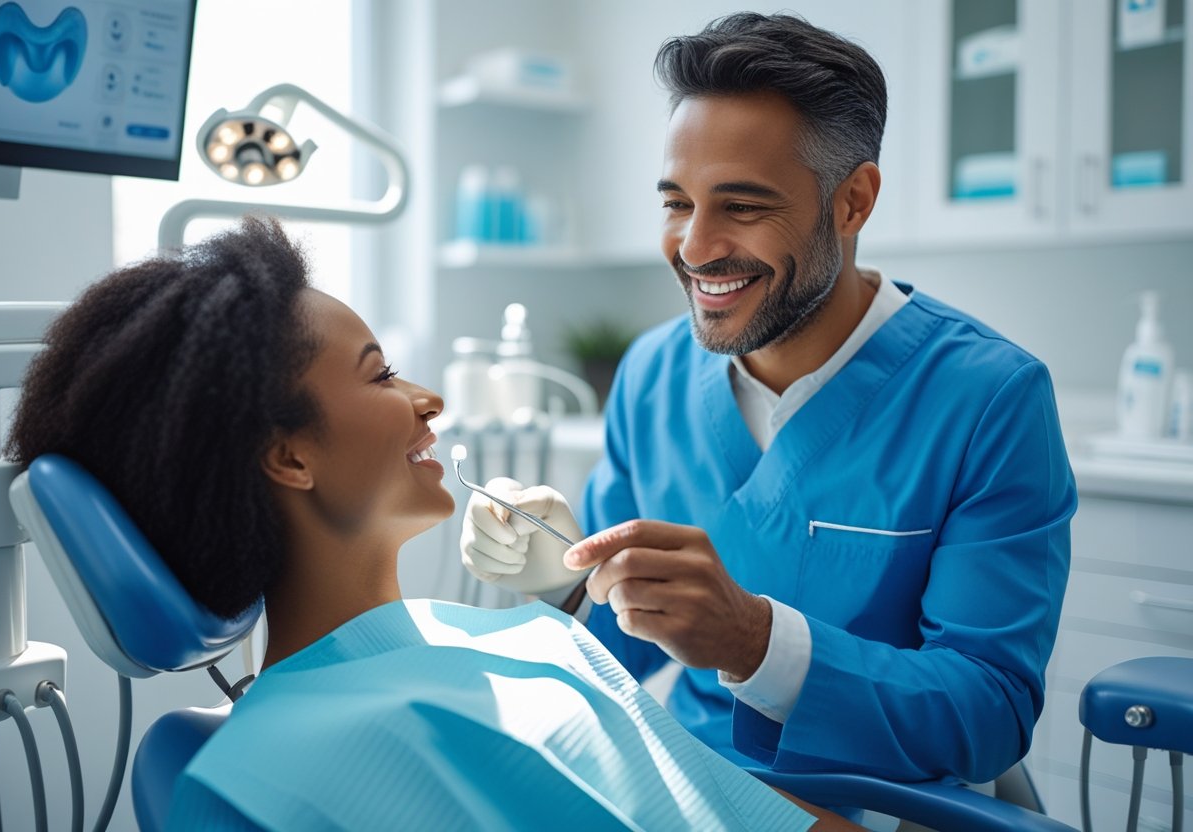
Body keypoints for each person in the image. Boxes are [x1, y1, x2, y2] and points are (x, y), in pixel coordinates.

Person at [5, 217, 858, 831]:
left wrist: (568, 597)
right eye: (382, 377)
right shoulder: (262, 776)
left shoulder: (532, 638)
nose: (431, 401)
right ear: (289, 458)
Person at [460, 11, 1077, 787]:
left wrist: (757, 642)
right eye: (677, 202)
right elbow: (623, 647)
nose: (693, 247)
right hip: (692, 781)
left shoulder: (988, 399)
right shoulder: (651, 373)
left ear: (852, 202)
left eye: (742, 207)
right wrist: (564, 581)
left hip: (879, 800)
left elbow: (990, 710)